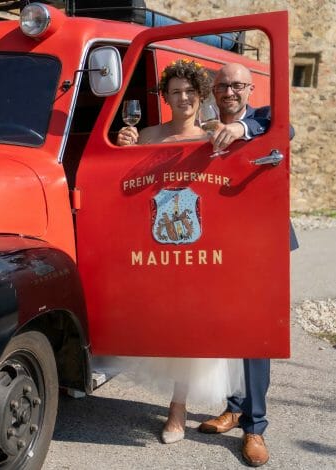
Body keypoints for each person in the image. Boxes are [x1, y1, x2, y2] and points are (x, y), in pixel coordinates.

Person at [116, 59, 245, 445]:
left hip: (198, 243)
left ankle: (178, 409)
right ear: (166, 97)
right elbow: (126, 185)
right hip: (155, 243)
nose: (183, 97)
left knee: (192, 325)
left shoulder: (214, 136)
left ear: (200, 95)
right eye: (175, 92)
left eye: (190, 91)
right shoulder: (149, 135)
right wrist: (124, 147)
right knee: (165, 324)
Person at [198, 62, 296, 468]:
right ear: (214, 91)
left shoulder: (266, 118)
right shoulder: (201, 126)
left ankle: (255, 427)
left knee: (255, 335)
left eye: (237, 85)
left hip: (261, 243)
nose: (230, 91)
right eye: (222, 85)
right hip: (218, 241)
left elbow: (282, 130)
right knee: (225, 327)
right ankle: (234, 407)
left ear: (250, 88)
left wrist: (242, 129)